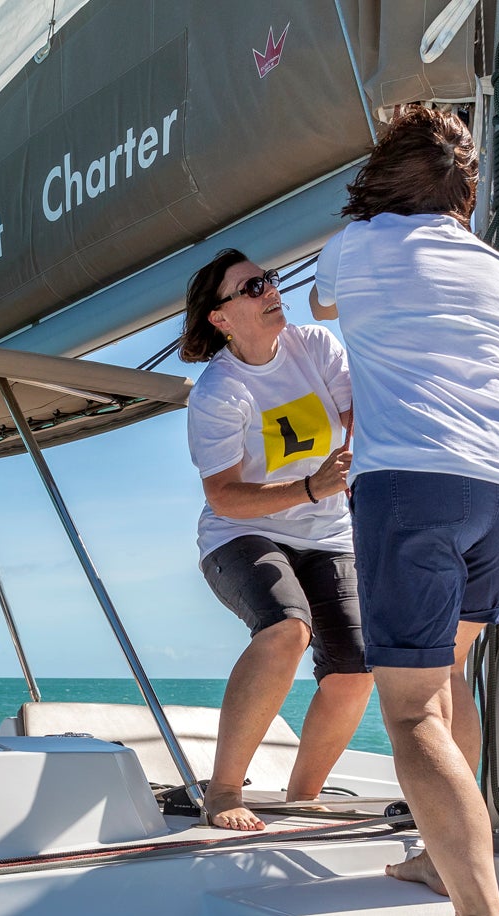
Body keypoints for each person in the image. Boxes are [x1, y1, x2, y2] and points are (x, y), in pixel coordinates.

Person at [310, 104, 499, 916]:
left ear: (384, 178)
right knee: (443, 677)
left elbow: (320, 300)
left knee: (411, 706)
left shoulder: (357, 245)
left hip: (419, 483)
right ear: (466, 193)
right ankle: (439, 853)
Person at [179, 248, 374, 831]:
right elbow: (224, 496)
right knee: (287, 628)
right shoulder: (218, 392)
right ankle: (222, 791)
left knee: (356, 668)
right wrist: (312, 486)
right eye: (254, 286)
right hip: (240, 534)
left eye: (270, 281)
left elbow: (359, 415)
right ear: (221, 317)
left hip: (330, 535)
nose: (272, 291)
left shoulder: (313, 345)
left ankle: (300, 798)